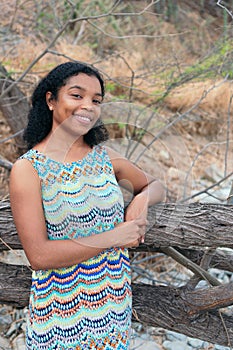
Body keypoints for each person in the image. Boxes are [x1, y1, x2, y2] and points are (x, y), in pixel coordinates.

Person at [9, 61, 165, 350]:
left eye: (96, 100)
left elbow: (155, 184)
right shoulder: (29, 169)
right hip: (60, 321)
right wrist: (114, 237)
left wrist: (141, 200)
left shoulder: (105, 158)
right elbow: (39, 256)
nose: (88, 106)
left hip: (114, 313)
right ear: (51, 100)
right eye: (77, 95)